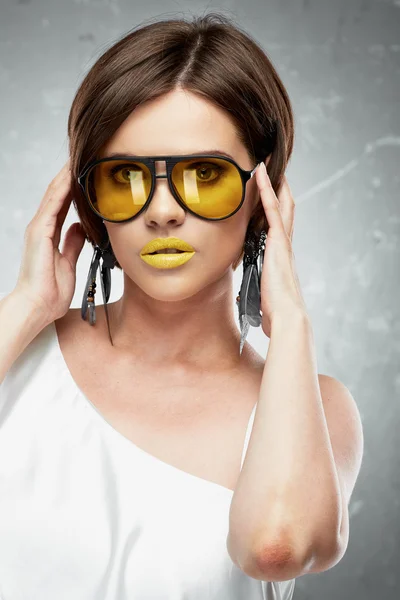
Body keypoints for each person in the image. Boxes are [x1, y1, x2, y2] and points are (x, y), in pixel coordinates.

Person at [0, 12, 363, 600]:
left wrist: (290, 323)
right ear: (87, 199)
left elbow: (276, 548)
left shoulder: (316, 408)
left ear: (264, 194)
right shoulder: (15, 351)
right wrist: (24, 306)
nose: (163, 210)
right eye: (125, 175)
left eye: (204, 174)